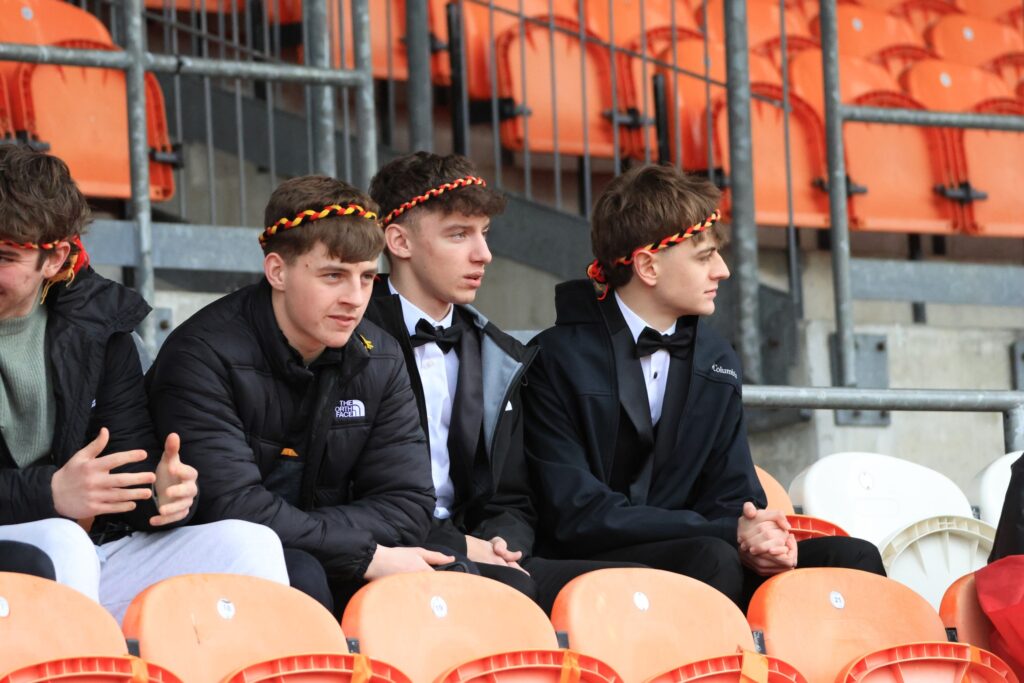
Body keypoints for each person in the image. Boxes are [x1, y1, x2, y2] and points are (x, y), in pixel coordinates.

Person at [523, 164, 885, 608]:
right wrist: (726, 533)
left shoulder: (715, 358)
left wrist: (763, 540)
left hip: (704, 550)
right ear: (648, 266)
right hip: (590, 557)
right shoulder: (555, 358)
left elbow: (734, 493)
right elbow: (575, 513)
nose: (723, 271)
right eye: (704, 256)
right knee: (713, 556)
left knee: (854, 557)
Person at [0, 144, 287, 622]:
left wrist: (160, 494)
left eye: (4, 256)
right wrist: (48, 492)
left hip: (81, 551)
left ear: (54, 258)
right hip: (49, 544)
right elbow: (60, 503)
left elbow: (126, 465)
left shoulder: (99, 324)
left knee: (250, 544)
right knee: (62, 540)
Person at [146, 174, 449, 615]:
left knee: (457, 578)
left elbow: (408, 506)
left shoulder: (380, 356)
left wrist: (340, 546)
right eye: (333, 276)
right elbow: (232, 507)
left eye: (367, 277)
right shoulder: (203, 353)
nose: (355, 298)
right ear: (277, 272)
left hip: (321, 549)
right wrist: (364, 553)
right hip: (215, 559)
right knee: (302, 572)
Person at [365, 151, 641, 612]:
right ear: (399, 241)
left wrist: (502, 543)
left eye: (485, 233)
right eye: (459, 235)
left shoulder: (496, 352)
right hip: (392, 551)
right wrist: (460, 546)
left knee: (628, 590)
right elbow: (348, 493)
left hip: (481, 552)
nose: (484, 254)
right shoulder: (350, 341)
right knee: (513, 594)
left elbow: (511, 496)